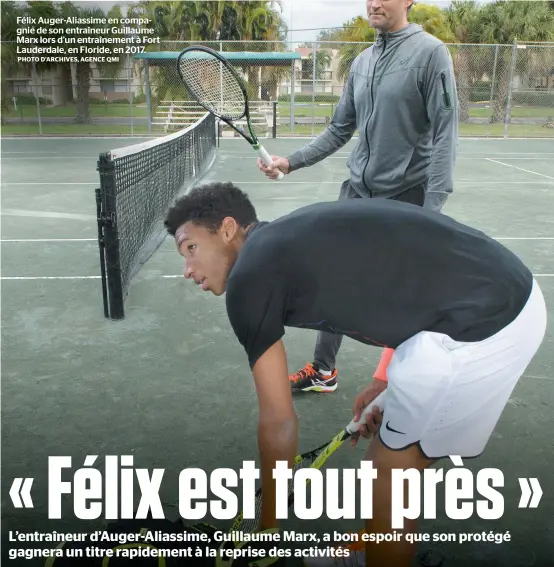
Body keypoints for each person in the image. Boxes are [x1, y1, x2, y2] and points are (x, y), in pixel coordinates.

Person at [164, 182, 546, 567]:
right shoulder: (290, 239)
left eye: (191, 248)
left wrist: (266, 534)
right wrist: (384, 379)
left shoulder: (249, 278)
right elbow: (409, 276)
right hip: (506, 294)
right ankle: (370, 551)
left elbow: (278, 422)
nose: (187, 269)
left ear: (228, 229)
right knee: (393, 461)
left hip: (486, 322)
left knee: (390, 469)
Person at [258, 0, 459, 395]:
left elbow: (444, 136)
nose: (374, 3)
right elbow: (339, 128)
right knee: (332, 278)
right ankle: (324, 370)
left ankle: (417, 382)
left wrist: (432, 212)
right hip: (356, 193)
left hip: (405, 198)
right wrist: (290, 162)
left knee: (404, 294)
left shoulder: (431, 54)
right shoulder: (363, 61)